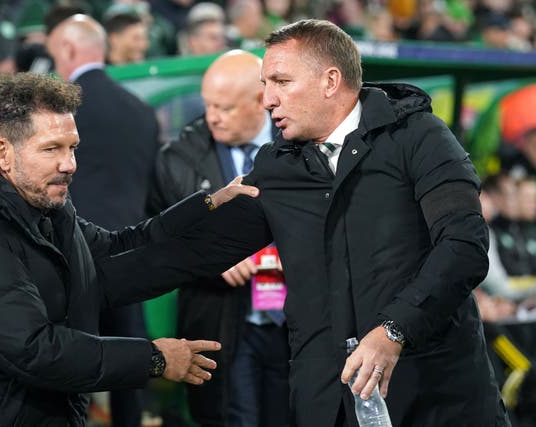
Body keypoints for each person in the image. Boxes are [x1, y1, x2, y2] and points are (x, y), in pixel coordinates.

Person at [104, 19, 510, 426]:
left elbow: (463, 247)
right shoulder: (278, 167)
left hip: (435, 398)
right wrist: (88, 286)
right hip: (326, 404)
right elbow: (194, 254)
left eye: (281, 81)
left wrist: (394, 331)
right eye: (265, 84)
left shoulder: (419, 137)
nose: (267, 100)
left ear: (330, 81)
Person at [0, 72, 259, 426]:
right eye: (51, 149)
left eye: (72, 147)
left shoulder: (47, 207)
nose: (69, 164)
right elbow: (35, 349)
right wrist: (154, 358)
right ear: (3, 153)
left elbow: (119, 246)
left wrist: (207, 204)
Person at [148, 50, 289, 427]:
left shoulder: (303, 141)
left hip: (294, 321)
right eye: (209, 104)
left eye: (224, 108)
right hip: (221, 323)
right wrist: (213, 258)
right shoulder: (178, 158)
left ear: (260, 100)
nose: (212, 116)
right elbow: (160, 238)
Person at [46, 13, 160, 427]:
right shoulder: (142, 112)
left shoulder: (55, 114)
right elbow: (152, 192)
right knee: (130, 365)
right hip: (129, 256)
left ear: (68, 50)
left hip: (67, 256)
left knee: (67, 365)